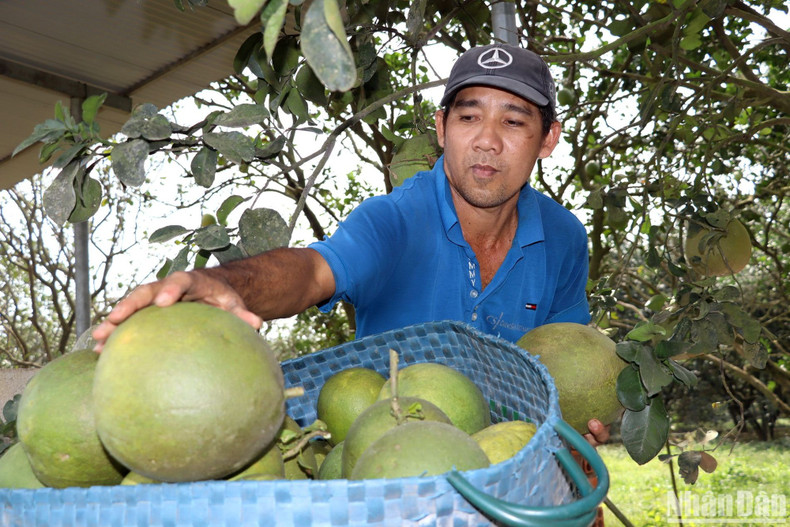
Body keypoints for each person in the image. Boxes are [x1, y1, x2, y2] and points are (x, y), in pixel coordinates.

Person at [92, 43, 609, 447]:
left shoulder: (563, 238)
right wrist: (225, 284)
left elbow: (567, 359)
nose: (487, 141)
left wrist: (582, 427)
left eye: (513, 121)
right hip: (389, 461)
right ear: (441, 127)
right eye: (468, 117)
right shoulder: (395, 220)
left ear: (548, 138)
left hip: (507, 462)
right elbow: (314, 271)